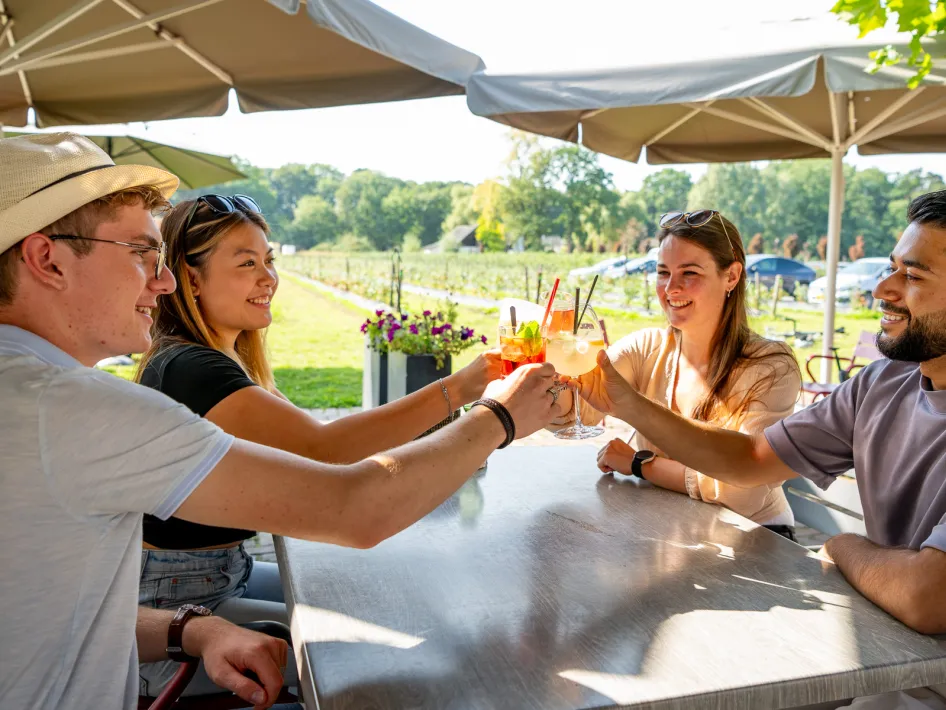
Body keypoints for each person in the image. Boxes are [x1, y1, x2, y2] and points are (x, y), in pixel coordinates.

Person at [0, 132, 561, 710]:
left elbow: (62, 605)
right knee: (387, 652)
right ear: (47, 259)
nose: (160, 280)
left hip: (198, 604)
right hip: (187, 614)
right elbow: (348, 495)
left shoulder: (40, 394)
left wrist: (190, 629)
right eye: (142, 254)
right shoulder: (84, 403)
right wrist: (500, 414)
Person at [568, 191, 946, 710]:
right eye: (891, 268)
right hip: (885, 665)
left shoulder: (773, 362)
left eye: (914, 276)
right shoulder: (884, 382)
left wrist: (839, 548)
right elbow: (750, 460)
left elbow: (927, 598)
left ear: (732, 277)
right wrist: (623, 404)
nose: (883, 289)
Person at [135, 195, 504, 696]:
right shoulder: (190, 368)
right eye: (247, 263)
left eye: (269, 261)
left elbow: (327, 443)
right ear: (190, 277)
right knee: (358, 653)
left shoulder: (217, 359)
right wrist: (459, 392)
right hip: (178, 611)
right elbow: (324, 449)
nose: (269, 278)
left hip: (219, 576)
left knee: (370, 599)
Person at [554, 210, 801, 538]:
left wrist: (641, 464)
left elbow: (743, 489)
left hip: (759, 539)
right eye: (663, 272)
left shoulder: (771, 367)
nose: (670, 288)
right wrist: (548, 376)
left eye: (690, 273)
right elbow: (576, 411)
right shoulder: (646, 347)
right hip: (673, 534)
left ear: (731, 276)